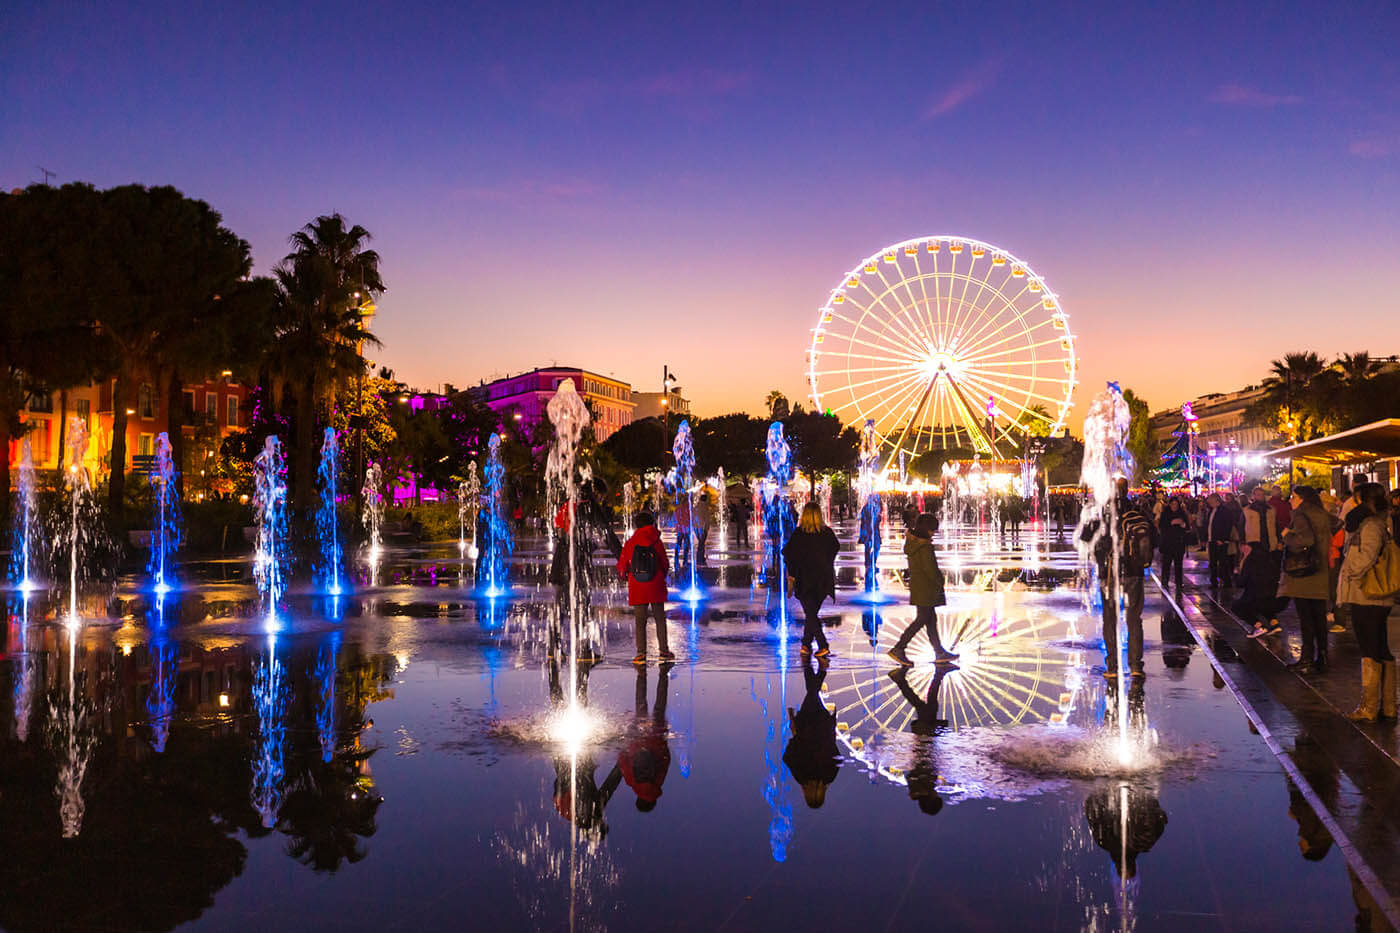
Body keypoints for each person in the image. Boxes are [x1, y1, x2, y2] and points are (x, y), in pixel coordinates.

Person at [1082, 477, 1156, 679]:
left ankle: (1112, 666)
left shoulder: (1102, 512)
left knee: (1110, 619)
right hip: (1134, 572)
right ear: (1127, 490)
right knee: (1134, 619)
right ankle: (1135, 665)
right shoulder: (1138, 510)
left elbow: (1086, 537)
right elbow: (1154, 538)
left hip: (1109, 572)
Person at [1339, 484, 1396, 721]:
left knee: (1370, 648)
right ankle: (1388, 706)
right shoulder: (1377, 523)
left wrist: (1350, 570)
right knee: (1380, 647)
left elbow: (1367, 556)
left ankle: (1369, 708)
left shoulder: (1371, 525)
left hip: (1368, 593)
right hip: (1373, 596)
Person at [890, 512, 957, 666]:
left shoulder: (914, 544)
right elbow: (930, 569)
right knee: (922, 620)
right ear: (927, 530)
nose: (934, 533)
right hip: (926, 588)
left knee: (930, 620)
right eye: (933, 530)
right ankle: (899, 648)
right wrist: (940, 581)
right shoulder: (924, 547)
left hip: (919, 586)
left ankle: (939, 651)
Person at [1280, 485, 1332, 673]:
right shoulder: (1321, 513)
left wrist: (1287, 537)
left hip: (1303, 571)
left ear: (1303, 498)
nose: (1290, 500)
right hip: (1319, 568)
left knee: (1306, 618)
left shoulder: (1300, 515)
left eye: (1293, 497)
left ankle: (1307, 658)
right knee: (1319, 617)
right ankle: (1323, 655)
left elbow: (1306, 540)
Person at [782, 502, 841, 659]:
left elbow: (787, 554)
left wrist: (792, 573)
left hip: (804, 579)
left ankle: (823, 645)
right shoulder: (827, 533)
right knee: (812, 613)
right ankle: (806, 644)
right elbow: (836, 548)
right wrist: (825, 561)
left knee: (811, 613)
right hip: (823, 579)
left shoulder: (799, 534)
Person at [783, 654, 840, 809]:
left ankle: (815, 665)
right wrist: (795, 737)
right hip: (805, 725)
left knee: (812, 692)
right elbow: (788, 757)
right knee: (812, 693)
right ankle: (814, 665)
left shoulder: (829, 776)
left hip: (822, 725)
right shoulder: (802, 777)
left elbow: (835, 754)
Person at [618, 511, 674, 664]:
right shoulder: (656, 542)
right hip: (655, 584)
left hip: (637, 585)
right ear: (651, 524)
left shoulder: (630, 542)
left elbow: (622, 567)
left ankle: (641, 654)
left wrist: (626, 576)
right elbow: (665, 563)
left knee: (640, 621)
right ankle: (664, 651)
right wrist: (661, 576)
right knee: (660, 619)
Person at [619, 664, 671, 811]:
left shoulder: (658, 782)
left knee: (659, 707)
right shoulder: (631, 781)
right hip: (638, 740)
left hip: (656, 738)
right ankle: (641, 674)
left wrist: (662, 742)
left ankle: (663, 675)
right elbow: (623, 759)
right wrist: (626, 742)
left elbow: (666, 760)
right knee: (640, 704)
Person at [1239, 484, 1283, 638]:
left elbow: (1276, 526)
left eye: (1262, 494)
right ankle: (1272, 622)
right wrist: (1244, 543)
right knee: (1263, 593)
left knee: (1254, 596)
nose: (1260, 497)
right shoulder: (1247, 511)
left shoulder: (1271, 510)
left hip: (1268, 550)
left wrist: (1278, 541)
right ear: (1253, 496)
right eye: (1257, 494)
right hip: (1254, 546)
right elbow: (1241, 527)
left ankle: (1261, 625)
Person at [1157, 496, 1189, 591]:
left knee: (1178, 564)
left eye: (1176, 504)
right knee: (1166, 563)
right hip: (1168, 543)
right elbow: (1161, 526)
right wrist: (1171, 523)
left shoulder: (1182, 514)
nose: (1174, 506)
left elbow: (1187, 527)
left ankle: (1179, 582)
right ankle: (1165, 580)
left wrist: (1183, 525)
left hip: (1179, 543)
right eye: (1172, 504)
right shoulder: (1165, 514)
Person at [1205, 493, 1236, 591]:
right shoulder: (1211, 511)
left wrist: (1223, 539)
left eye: (1210, 500)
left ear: (1216, 500)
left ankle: (1226, 581)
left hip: (1220, 541)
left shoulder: (1224, 511)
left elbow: (1228, 525)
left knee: (1222, 562)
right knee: (1213, 562)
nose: (1209, 502)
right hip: (1212, 540)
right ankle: (1214, 582)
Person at [858, 493, 884, 592]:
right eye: (876, 498)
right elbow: (864, 519)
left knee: (876, 547)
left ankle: (872, 562)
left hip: (874, 531)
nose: (877, 499)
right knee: (869, 547)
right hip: (868, 531)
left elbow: (877, 520)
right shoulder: (867, 507)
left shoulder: (875, 507)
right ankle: (869, 563)